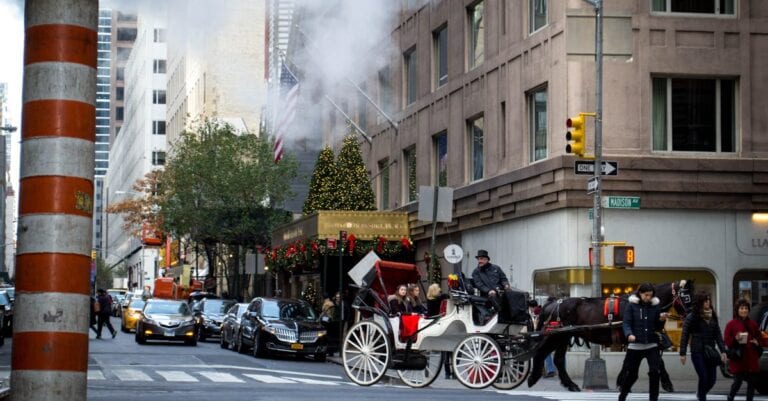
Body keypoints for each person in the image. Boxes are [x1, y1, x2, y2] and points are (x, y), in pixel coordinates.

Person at [617, 283, 668, 401]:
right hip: (635, 346)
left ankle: (653, 398)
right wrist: (629, 334)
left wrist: (661, 320)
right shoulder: (631, 305)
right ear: (640, 293)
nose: (648, 298)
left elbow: (658, 327)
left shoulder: (655, 306)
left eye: (650, 295)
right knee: (632, 374)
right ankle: (622, 395)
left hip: (652, 344)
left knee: (655, 372)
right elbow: (626, 322)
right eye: (646, 295)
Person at [679, 291, 726, 401]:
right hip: (697, 351)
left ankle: (700, 393)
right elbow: (685, 334)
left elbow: (718, 334)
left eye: (708, 300)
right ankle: (702, 397)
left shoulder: (712, 315)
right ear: (699, 302)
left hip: (710, 351)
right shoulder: (692, 316)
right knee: (704, 377)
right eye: (705, 300)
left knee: (712, 380)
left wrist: (723, 350)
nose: (708, 302)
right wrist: (682, 353)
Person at [724, 299, 761, 401]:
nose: (744, 310)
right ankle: (730, 397)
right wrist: (735, 339)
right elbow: (727, 341)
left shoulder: (753, 324)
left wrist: (757, 342)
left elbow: (759, 338)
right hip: (739, 358)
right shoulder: (731, 324)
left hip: (751, 358)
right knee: (737, 382)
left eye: (746, 308)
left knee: (752, 383)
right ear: (737, 310)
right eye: (741, 308)